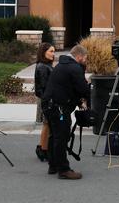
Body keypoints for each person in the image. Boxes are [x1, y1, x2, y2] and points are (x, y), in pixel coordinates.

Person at [42, 44, 90, 180]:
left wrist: (77, 100)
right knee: (61, 137)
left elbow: (70, 87)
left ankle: (53, 165)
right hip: (58, 107)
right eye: (85, 58)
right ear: (79, 56)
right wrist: (85, 100)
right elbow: (83, 89)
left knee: (54, 135)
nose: (85, 60)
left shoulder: (63, 65)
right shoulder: (74, 67)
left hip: (49, 104)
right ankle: (63, 170)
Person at [35, 43, 55, 162]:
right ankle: (43, 149)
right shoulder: (42, 67)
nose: (53, 54)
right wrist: (48, 100)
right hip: (45, 99)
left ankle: (43, 148)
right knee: (47, 124)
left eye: (53, 51)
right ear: (44, 52)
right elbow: (43, 86)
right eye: (51, 51)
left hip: (46, 98)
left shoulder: (46, 65)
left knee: (47, 124)